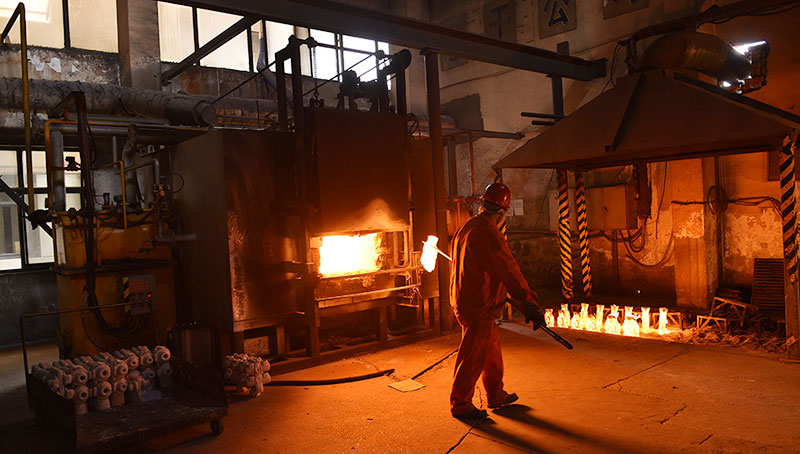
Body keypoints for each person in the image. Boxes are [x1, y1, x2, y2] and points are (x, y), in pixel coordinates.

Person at [449, 182, 546, 420]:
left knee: (490, 352)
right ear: (503, 210)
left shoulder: (468, 226)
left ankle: (495, 394)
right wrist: (529, 303)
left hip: (466, 298)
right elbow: (508, 270)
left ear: (483, 203)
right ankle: (461, 404)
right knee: (473, 356)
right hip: (478, 304)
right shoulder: (489, 234)